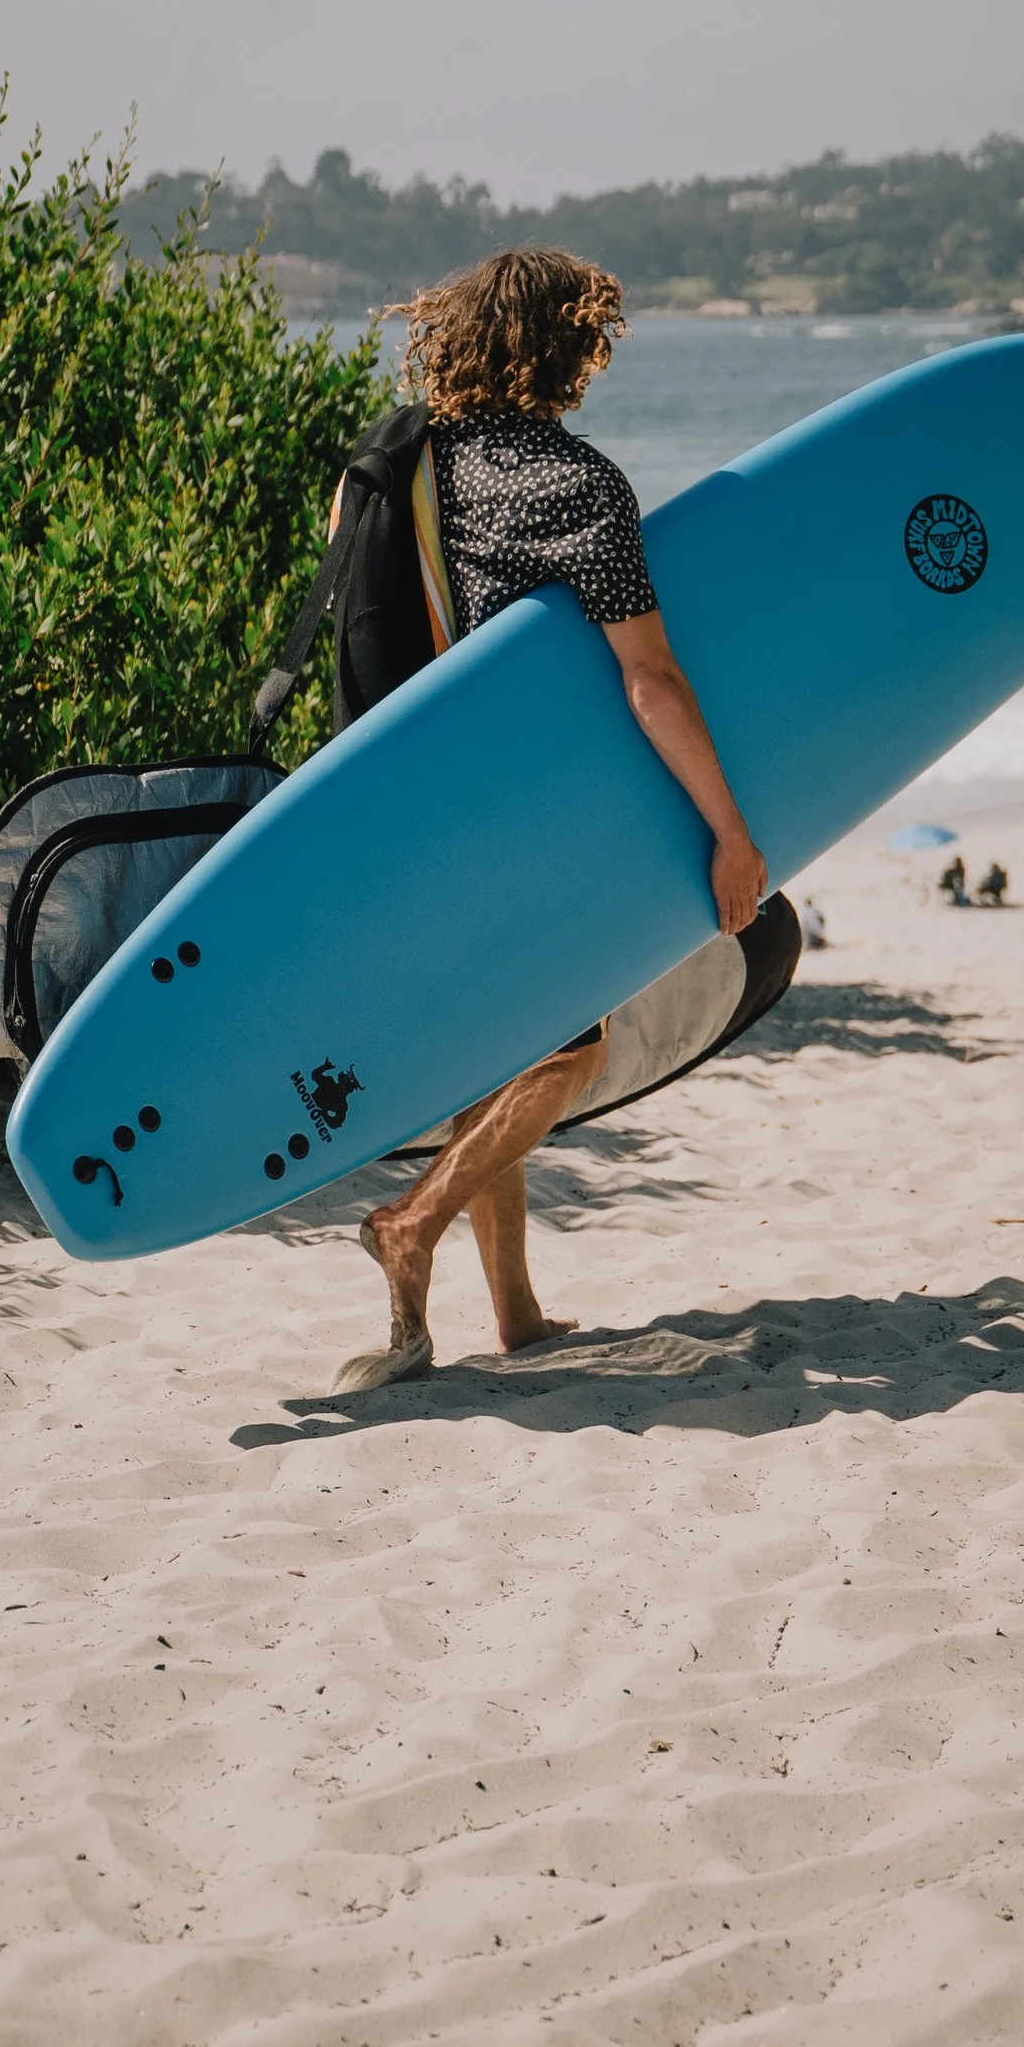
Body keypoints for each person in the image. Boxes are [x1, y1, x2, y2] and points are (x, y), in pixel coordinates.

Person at [339, 249, 767, 1392]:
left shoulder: (395, 459)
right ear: (570, 350)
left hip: (393, 801)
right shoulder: (574, 484)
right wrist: (729, 830)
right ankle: (413, 1223)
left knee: (501, 1047)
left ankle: (518, 1315)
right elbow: (650, 680)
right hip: (505, 813)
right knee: (569, 1044)